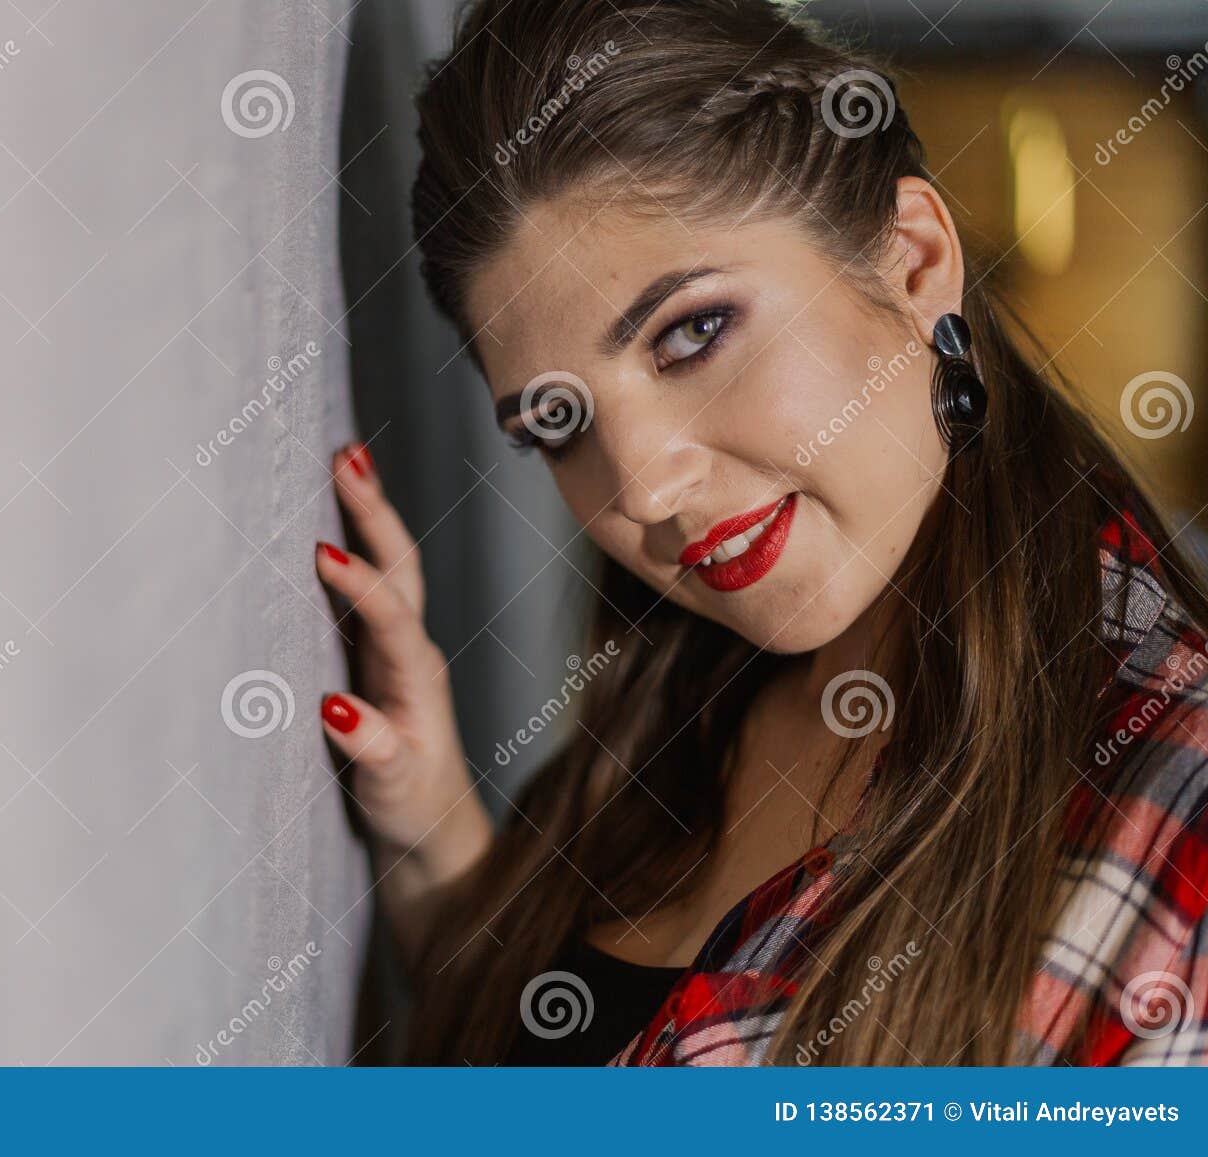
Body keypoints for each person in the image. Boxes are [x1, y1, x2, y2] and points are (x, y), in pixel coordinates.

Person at [315, 0, 1208, 1066]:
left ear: (914, 260)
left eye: (693, 332)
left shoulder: (1170, 792)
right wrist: (435, 841)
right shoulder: (672, 716)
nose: (640, 487)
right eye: (557, 422)